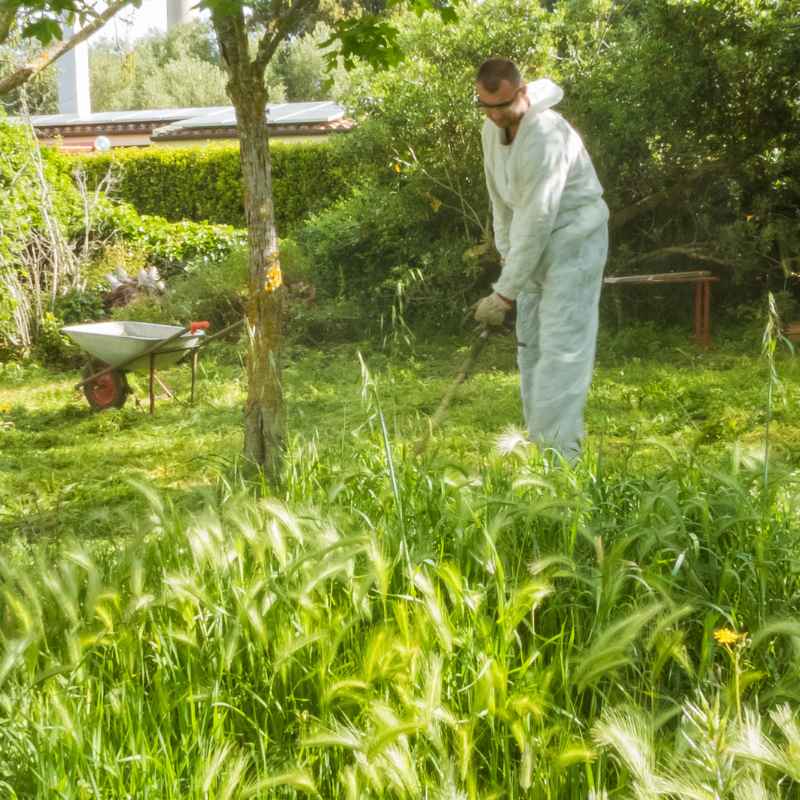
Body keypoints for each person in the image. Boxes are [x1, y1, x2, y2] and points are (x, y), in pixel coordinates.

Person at [473, 58, 609, 462]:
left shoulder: (547, 134)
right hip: (529, 246)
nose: (495, 115)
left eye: (502, 105)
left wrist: (503, 294)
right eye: (485, 106)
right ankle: (540, 449)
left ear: (523, 91)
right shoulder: (490, 129)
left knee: (562, 350)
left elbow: (538, 216)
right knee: (529, 347)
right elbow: (500, 200)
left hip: (573, 242)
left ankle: (562, 460)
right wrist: (506, 257)